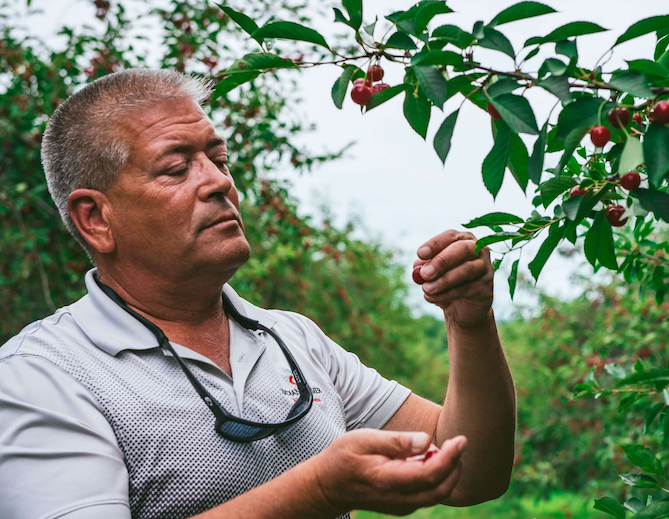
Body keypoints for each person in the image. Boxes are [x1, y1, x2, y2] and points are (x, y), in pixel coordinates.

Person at [0, 69, 516, 519]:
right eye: (177, 169)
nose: (219, 183)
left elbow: (470, 473)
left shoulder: (291, 339)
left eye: (219, 160)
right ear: (96, 219)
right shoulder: (41, 376)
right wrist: (319, 489)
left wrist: (468, 323)